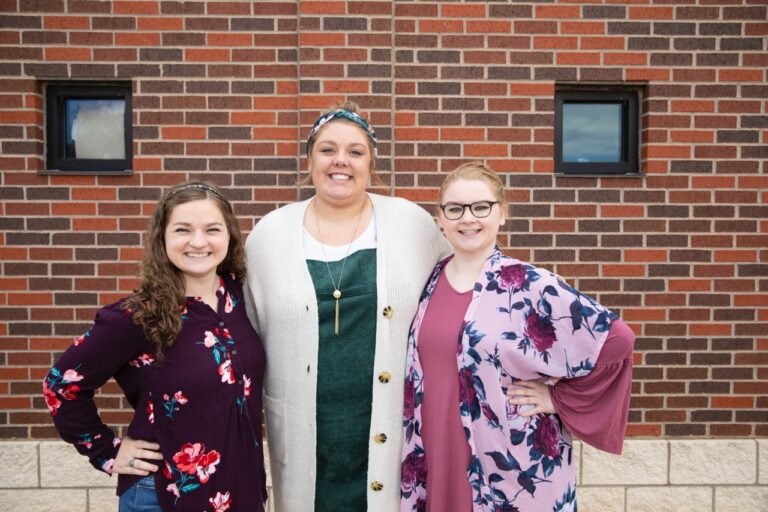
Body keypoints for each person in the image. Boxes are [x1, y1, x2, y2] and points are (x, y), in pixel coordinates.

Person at [244, 101, 451, 512]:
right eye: (327, 149)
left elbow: (458, 300)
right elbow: (241, 336)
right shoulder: (269, 235)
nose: (341, 161)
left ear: (371, 163)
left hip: (392, 431)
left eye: (355, 151)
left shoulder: (411, 225)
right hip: (305, 439)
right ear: (309, 162)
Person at [400, 162, 635, 512]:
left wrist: (559, 399)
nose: (468, 219)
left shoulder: (528, 284)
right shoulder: (429, 280)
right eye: (455, 209)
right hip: (436, 445)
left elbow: (616, 339)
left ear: (502, 213)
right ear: (440, 218)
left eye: (481, 207)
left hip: (509, 459)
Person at [43, 182, 267, 512]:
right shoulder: (137, 316)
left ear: (230, 235)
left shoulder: (242, 297)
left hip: (240, 490)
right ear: (162, 238)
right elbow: (61, 385)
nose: (198, 241)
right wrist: (106, 449)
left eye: (212, 229)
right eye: (182, 229)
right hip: (163, 493)